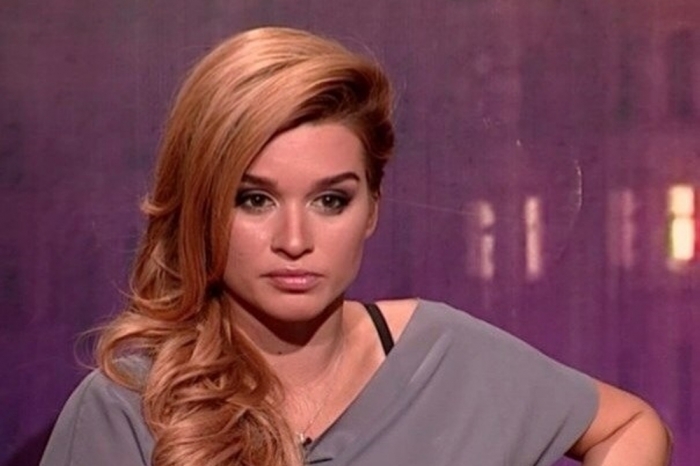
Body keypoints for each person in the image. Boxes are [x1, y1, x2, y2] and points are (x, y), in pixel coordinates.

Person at [40, 26, 670, 466]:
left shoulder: (445, 359)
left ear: (373, 208)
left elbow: (630, 426)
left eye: (331, 201)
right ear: (202, 208)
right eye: (254, 199)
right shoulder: (127, 408)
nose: (294, 241)